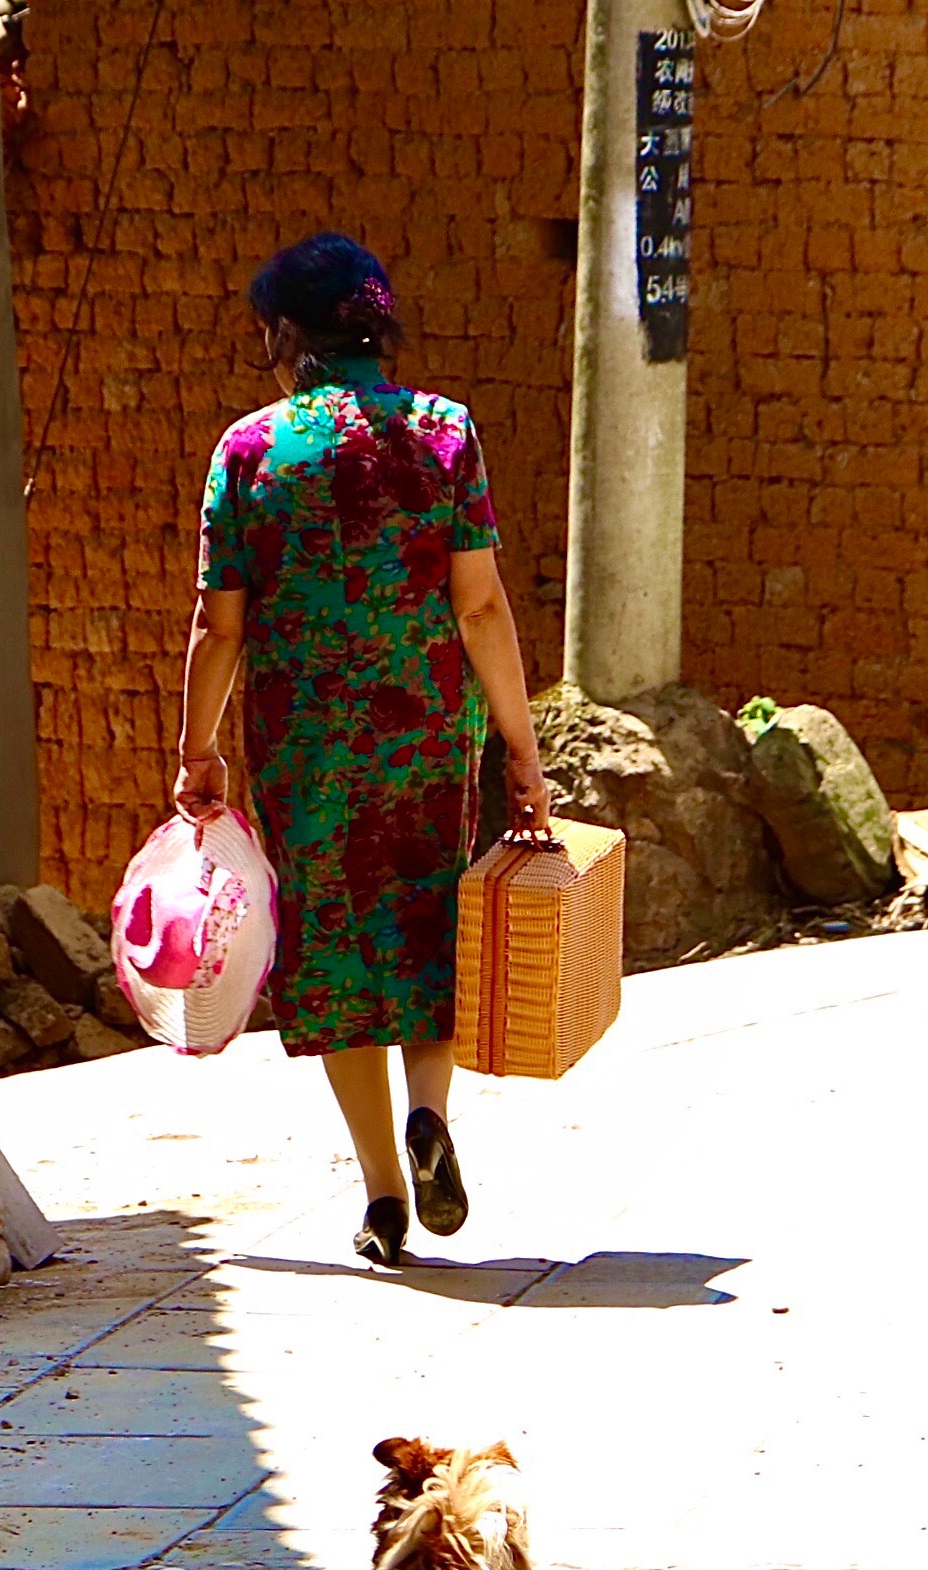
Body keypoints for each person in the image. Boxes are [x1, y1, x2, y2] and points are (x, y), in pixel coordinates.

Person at [172, 231, 554, 1268]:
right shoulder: (443, 433)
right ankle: (430, 1112)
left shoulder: (248, 453)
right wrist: (520, 750)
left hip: (305, 749)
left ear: (287, 335)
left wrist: (195, 751)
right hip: (425, 735)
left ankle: (383, 1190)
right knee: (429, 932)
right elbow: (479, 607)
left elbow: (221, 627)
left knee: (335, 959)